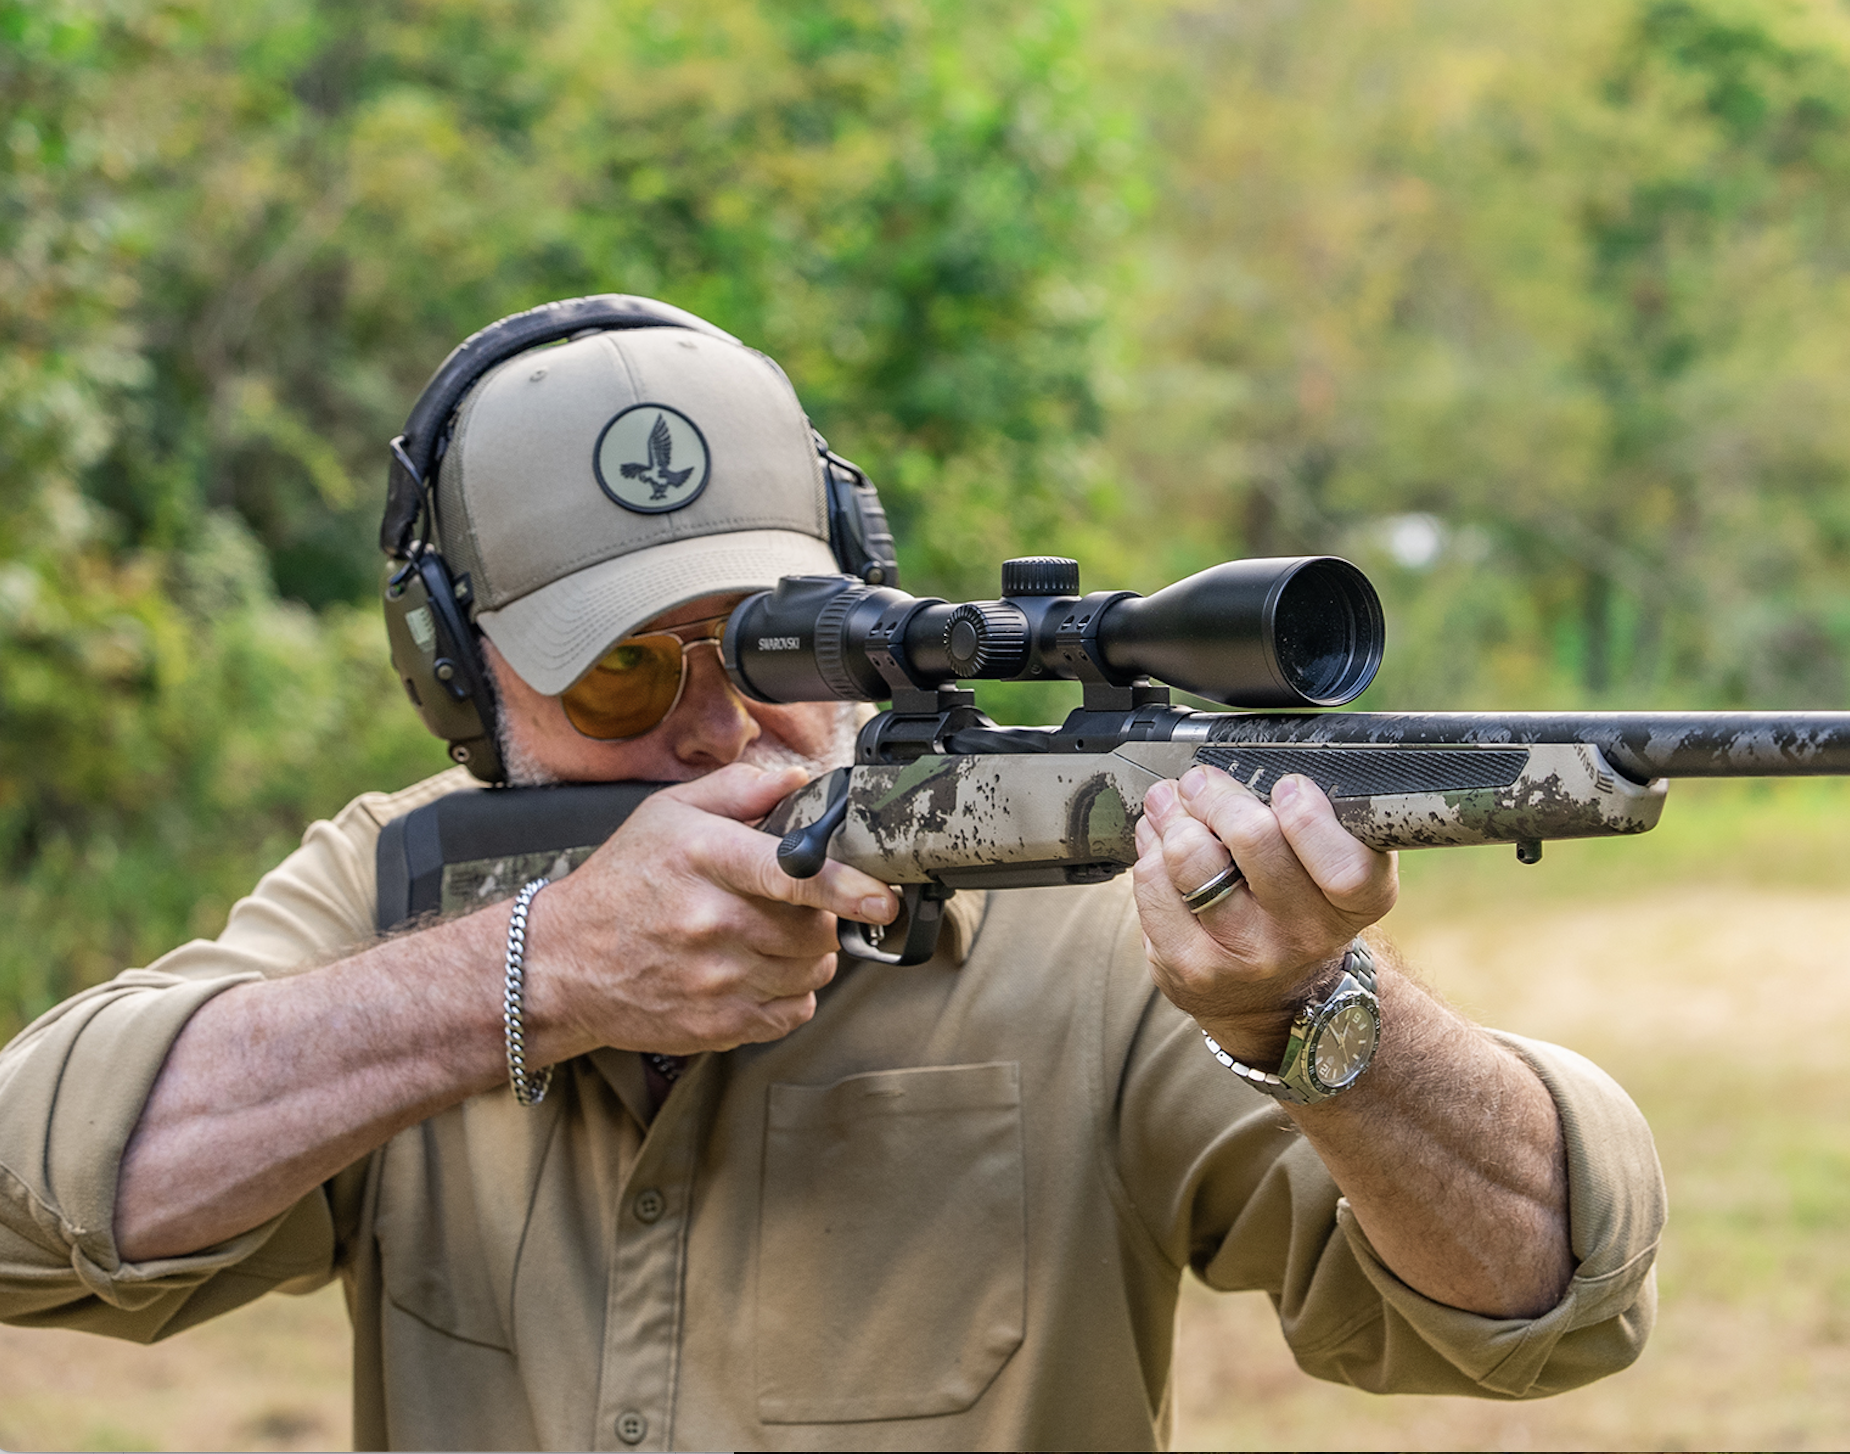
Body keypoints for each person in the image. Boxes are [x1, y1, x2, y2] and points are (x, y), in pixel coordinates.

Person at [0, 298, 1664, 1451]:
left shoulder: (1071, 912)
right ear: (461, 680)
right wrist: (537, 973)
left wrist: (1314, 1009)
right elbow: (37, 1195)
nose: (717, 730)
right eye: (617, 679)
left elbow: (1542, 1297)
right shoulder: (405, 888)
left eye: (766, 644)